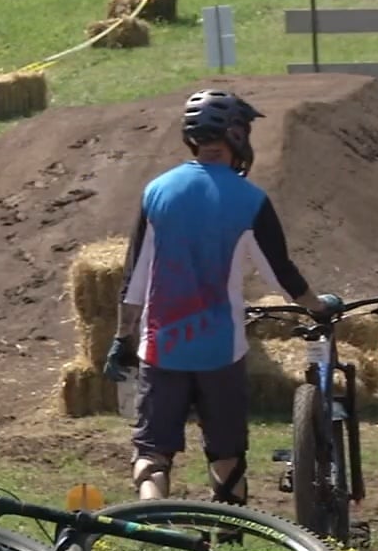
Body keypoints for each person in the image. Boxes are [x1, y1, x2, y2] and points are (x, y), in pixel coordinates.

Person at [102, 88, 343, 507]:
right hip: (220, 352)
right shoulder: (250, 200)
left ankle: (152, 528)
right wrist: (318, 307)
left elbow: (134, 278)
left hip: (161, 349)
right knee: (227, 457)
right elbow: (281, 274)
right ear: (236, 135)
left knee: (152, 455)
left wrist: (123, 338)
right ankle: (230, 535)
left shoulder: (157, 191)